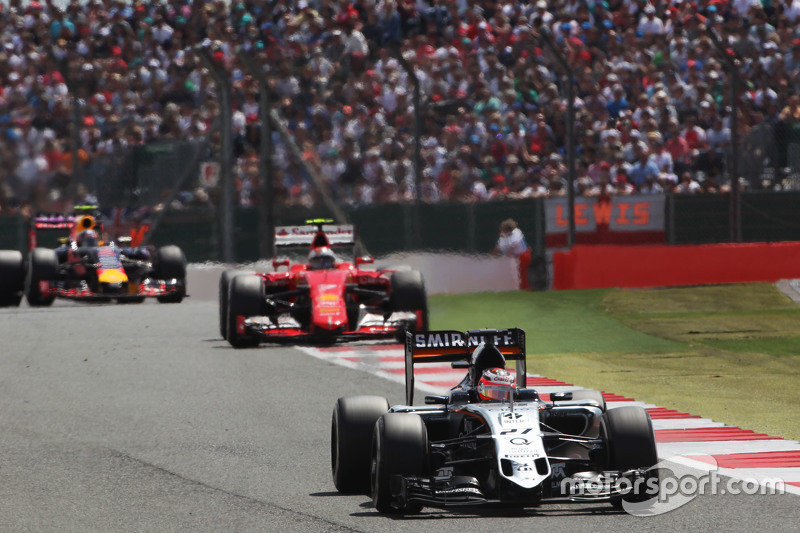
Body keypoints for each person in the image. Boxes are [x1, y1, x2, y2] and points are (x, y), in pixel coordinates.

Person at [492, 219, 532, 290]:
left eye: (503, 229)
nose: (501, 231)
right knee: (518, 273)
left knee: (521, 274)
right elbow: (498, 248)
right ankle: (520, 288)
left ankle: (524, 288)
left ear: (507, 229)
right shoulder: (504, 236)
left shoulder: (516, 232)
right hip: (516, 257)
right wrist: (490, 257)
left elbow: (513, 247)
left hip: (523, 255)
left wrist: (504, 257)